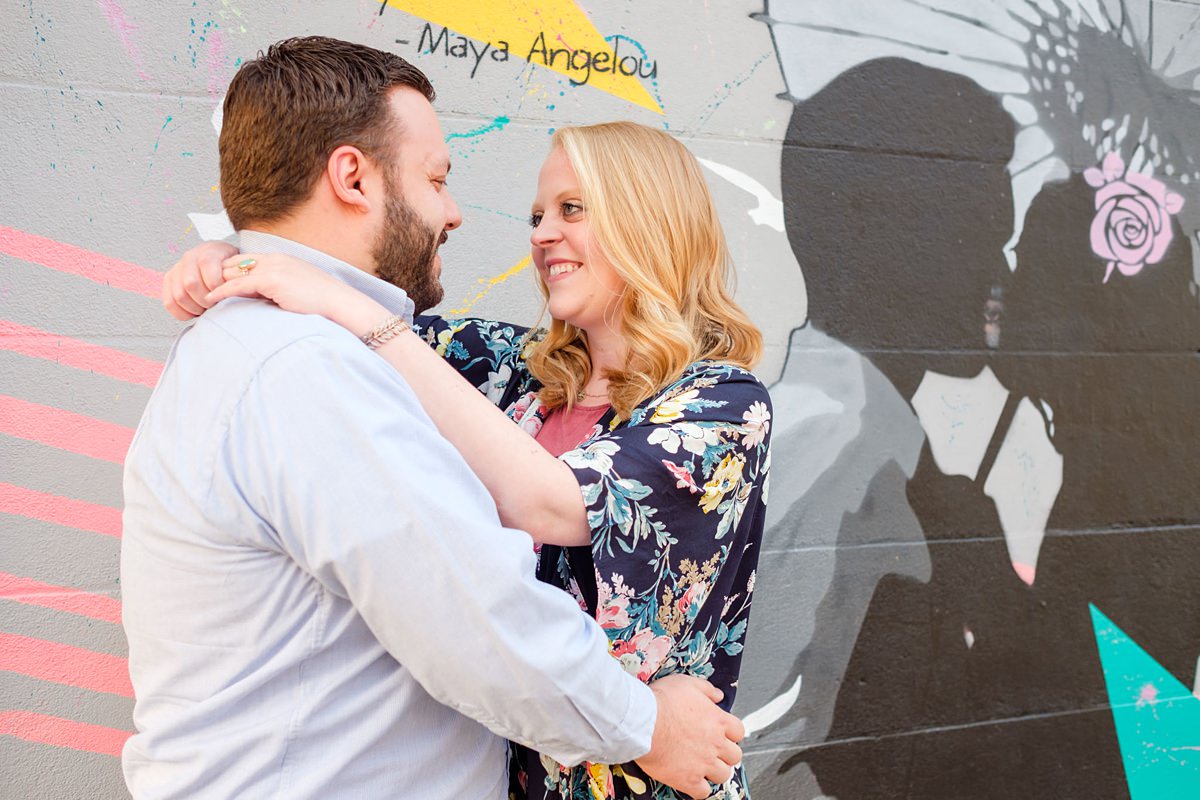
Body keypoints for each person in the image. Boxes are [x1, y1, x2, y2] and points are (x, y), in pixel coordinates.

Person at [123, 36, 744, 800]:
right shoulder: (497, 374)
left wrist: (273, 269)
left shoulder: (719, 402)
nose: (461, 215)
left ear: (649, 224)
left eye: (572, 209)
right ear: (351, 176)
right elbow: (477, 620)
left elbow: (559, 500)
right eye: (438, 180)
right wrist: (231, 257)